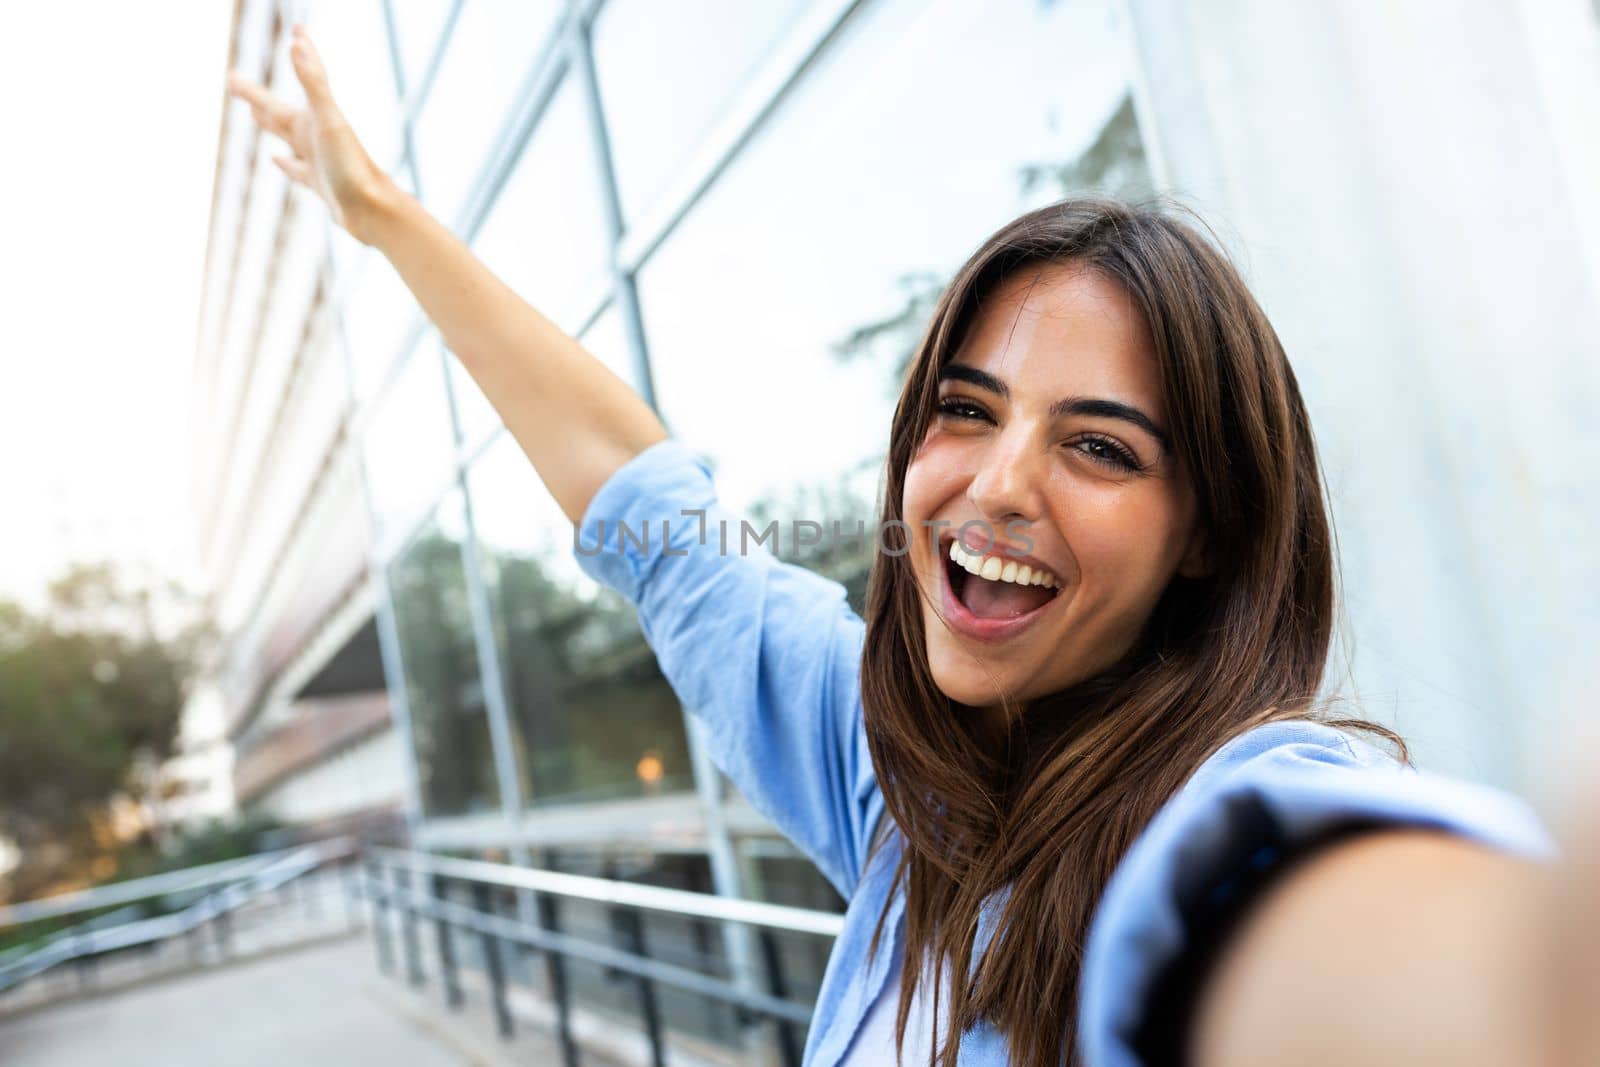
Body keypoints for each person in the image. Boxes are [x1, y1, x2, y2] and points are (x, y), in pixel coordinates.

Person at [228, 27, 1598, 1067]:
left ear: (1208, 537)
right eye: (966, 410)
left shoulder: (1234, 810)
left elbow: (1331, 928)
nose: (997, 486)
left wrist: (1517, 975)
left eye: (1100, 447)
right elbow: (654, 516)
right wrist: (387, 222)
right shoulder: (901, 794)